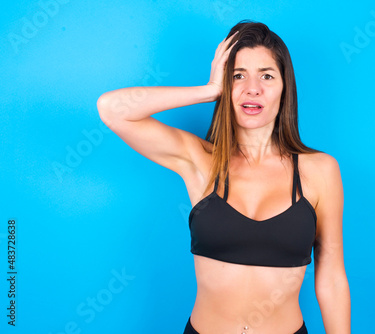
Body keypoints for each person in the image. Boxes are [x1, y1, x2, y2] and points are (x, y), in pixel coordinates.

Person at [97, 20, 350, 334]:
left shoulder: (319, 170)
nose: (252, 88)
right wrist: (209, 91)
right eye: (238, 76)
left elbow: (332, 277)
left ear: (285, 87)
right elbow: (112, 108)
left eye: (267, 76)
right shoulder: (201, 161)